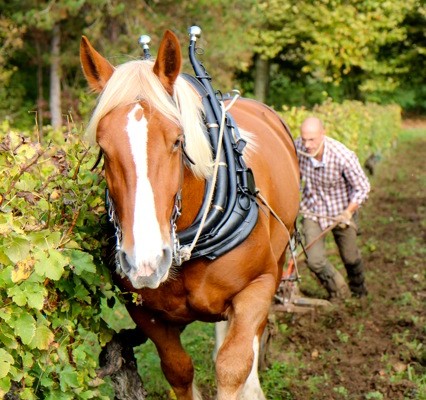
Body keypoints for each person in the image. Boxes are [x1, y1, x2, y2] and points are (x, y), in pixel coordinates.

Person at [295, 117, 371, 299]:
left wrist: (348, 212)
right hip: (312, 211)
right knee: (314, 260)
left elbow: (363, 187)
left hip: (341, 212)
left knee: (350, 257)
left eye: (312, 139)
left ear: (323, 134)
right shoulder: (297, 148)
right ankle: (340, 292)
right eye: (304, 139)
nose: (307, 145)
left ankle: (359, 290)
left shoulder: (342, 156)